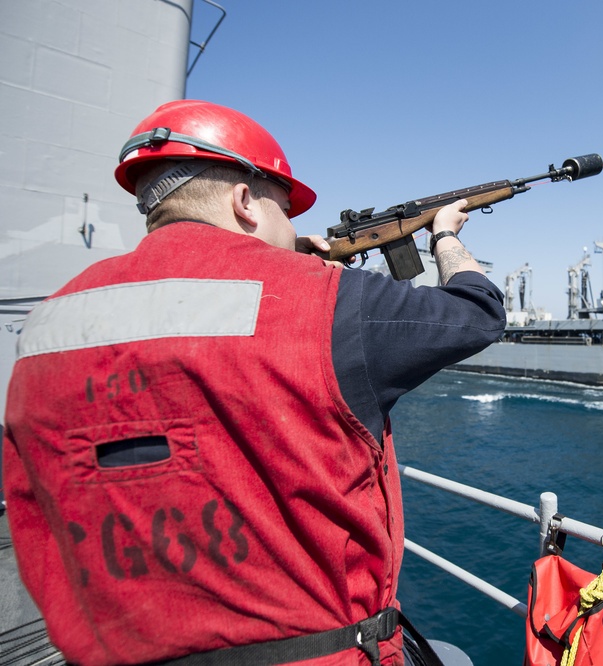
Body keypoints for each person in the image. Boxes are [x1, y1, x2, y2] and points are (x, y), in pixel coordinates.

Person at [1, 100, 505, 665]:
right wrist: (445, 236)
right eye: (285, 209)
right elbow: (476, 310)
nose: (294, 228)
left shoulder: (49, 322)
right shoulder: (327, 302)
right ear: (244, 200)